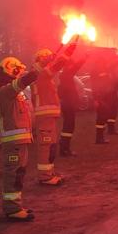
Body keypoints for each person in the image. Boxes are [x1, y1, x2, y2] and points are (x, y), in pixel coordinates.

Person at [0, 56, 39, 221]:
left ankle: (16, 206)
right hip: (13, 142)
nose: (20, 73)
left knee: (18, 174)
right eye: (17, 70)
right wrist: (35, 72)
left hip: (19, 141)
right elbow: (22, 82)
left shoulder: (9, 91)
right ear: (11, 70)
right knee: (13, 174)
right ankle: (12, 209)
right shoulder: (4, 91)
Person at [31, 42, 77, 186]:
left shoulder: (43, 75)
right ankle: (44, 177)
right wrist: (69, 51)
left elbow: (55, 66)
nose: (50, 59)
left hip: (48, 116)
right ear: (41, 59)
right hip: (44, 116)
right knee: (46, 146)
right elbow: (57, 65)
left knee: (50, 145)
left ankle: (49, 173)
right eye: (47, 57)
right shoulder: (39, 74)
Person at [58, 53, 88, 157]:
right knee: (69, 125)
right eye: (71, 64)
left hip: (68, 103)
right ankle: (64, 148)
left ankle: (64, 147)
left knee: (69, 125)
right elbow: (75, 67)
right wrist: (84, 58)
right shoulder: (67, 73)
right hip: (68, 103)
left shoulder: (65, 74)